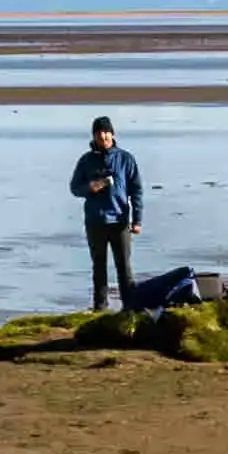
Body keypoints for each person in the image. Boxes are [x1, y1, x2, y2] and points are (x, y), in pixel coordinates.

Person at [68, 116, 144, 312]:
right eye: (98, 132)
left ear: (112, 133)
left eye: (105, 132)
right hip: (95, 222)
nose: (102, 135)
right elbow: (74, 188)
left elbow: (136, 190)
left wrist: (137, 220)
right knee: (99, 268)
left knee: (124, 268)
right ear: (94, 135)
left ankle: (130, 307)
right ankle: (100, 308)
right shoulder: (86, 160)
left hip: (119, 222)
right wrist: (90, 187)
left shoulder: (125, 159)